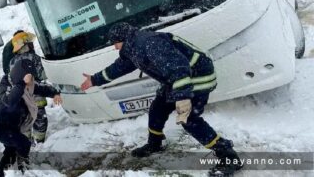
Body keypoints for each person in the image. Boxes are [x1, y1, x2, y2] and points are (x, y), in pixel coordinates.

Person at [80, 23, 242, 175]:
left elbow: (179, 68)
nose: (114, 47)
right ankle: (155, 144)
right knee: (157, 108)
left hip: (196, 78)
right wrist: (94, 80)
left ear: (123, 39)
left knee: (189, 120)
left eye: (115, 43)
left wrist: (183, 99)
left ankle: (228, 156)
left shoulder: (149, 43)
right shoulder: (133, 47)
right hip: (177, 81)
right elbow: (120, 67)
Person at [0, 59, 60, 176]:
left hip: (13, 126)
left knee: (11, 151)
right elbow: (9, 101)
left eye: (31, 78)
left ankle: (1, 173)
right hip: (0, 128)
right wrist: (22, 84)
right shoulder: (6, 87)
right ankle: (23, 169)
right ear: (19, 75)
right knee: (24, 143)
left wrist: (55, 93)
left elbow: (41, 88)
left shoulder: (28, 85)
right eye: (28, 78)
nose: (31, 82)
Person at [2, 30, 62, 144]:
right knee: (40, 118)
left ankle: (27, 142)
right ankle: (39, 142)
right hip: (36, 96)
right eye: (29, 42)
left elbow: (11, 78)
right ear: (25, 44)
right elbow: (42, 74)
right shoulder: (34, 57)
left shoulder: (12, 61)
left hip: (21, 97)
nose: (31, 44)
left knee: (25, 120)